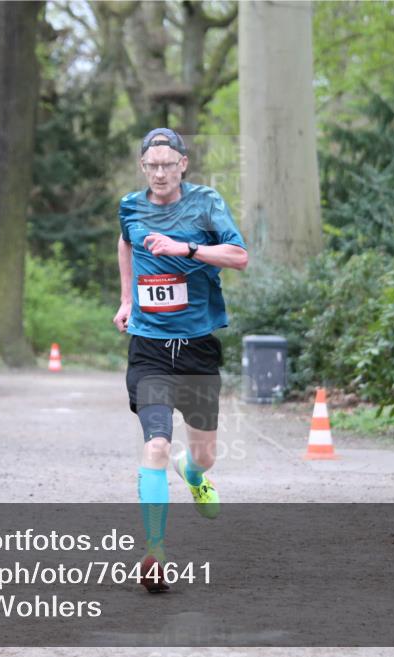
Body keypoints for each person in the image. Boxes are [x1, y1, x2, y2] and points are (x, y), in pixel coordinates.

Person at [113, 128, 249, 593]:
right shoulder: (130, 206)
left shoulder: (207, 203)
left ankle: (192, 474)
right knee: (154, 445)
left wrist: (185, 248)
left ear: (183, 164)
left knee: (205, 455)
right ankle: (155, 551)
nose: (160, 172)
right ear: (143, 167)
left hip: (197, 347)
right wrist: (128, 299)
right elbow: (126, 243)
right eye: (152, 165)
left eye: (168, 164)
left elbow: (239, 257)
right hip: (149, 347)